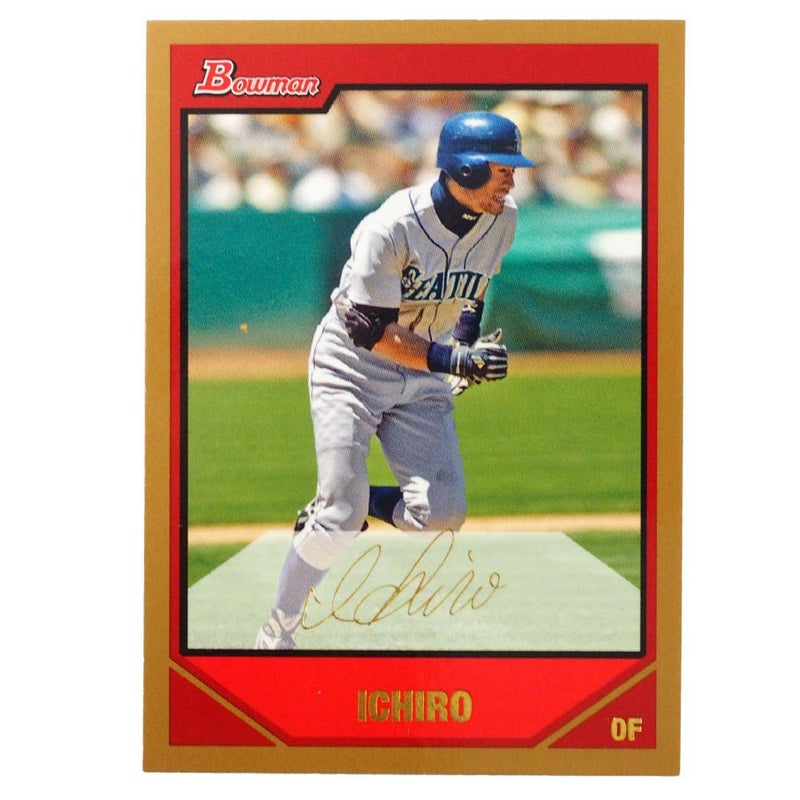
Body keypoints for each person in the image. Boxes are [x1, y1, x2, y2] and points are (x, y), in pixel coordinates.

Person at [255, 110, 536, 649]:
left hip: (423, 371)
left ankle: (355, 504)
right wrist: (453, 360)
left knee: (442, 515)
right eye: (503, 170)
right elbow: (370, 331)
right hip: (352, 367)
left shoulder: (503, 218)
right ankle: (278, 630)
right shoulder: (390, 226)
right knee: (339, 518)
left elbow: (474, 287)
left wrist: (465, 342)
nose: (512, 181)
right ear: (468, 168)